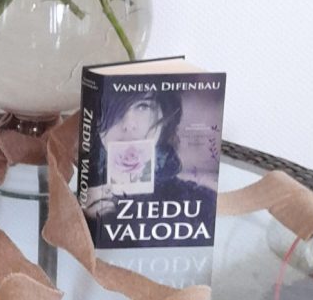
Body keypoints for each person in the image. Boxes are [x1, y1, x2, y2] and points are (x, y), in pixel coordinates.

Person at [83, 91, 217, 224]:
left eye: (143, 106)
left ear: (164, 113)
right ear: (95, 120)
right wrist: (84, 221)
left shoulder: (202, 205)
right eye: (111, 106)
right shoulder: (77, 205)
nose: (129, 125)